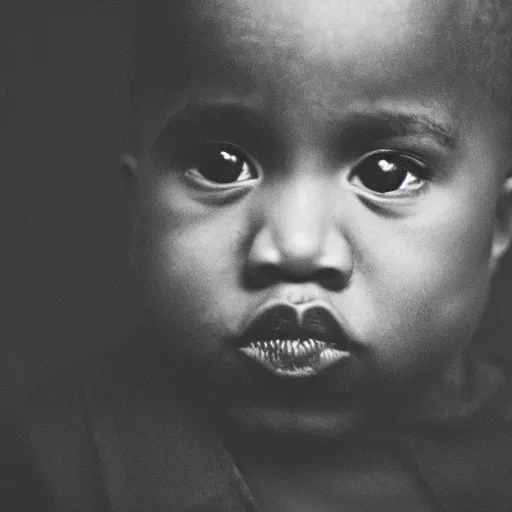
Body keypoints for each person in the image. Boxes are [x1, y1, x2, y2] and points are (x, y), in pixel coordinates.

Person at [4, 0, 512, 510]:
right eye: (221, 166)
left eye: (387, 175)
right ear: (137, 206)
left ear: (496, 222)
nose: (295, 247)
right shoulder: (45, 468)